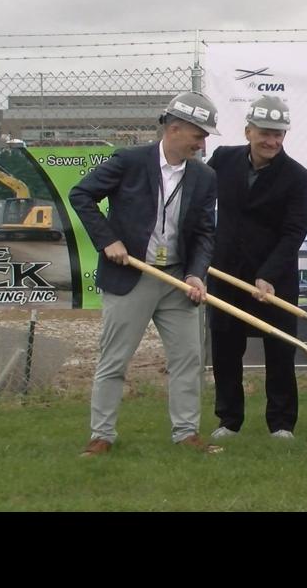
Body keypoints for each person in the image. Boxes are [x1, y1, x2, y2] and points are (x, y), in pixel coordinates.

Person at [69, 90, 223, 457]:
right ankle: (101, 436)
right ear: (173, 129)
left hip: (177, 280)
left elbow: (204, 231)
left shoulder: (204, 176)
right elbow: (82, 195)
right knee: (114, 359)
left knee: (188, 358)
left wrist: (197, 274)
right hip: (131, 277)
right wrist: (109, 240)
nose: (202, 143)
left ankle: (186, 434)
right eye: (198, 135)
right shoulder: (129, 160)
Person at [205, 95, 307, 439]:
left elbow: (294, 232)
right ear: (248, 130)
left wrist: (268, 275)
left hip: (275, 277)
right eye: (265, 133)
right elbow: (202, 204)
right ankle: (229, 421)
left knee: (280, 350)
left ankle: (281, 424)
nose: (272, 141)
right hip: (225, 273)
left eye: (279, 134)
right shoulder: (222, 159)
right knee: (225, 349)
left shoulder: (298, 177)